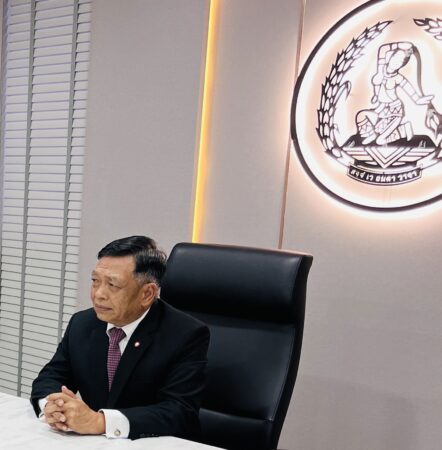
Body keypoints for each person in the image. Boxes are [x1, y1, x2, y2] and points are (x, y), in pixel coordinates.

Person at [30, 235, 210, 440]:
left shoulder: (186, 334)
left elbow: (180, 412)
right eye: (95, 281)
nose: (98, 294)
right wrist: (53, 407)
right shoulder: (82, 323)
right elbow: (51, 377)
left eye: (112, 285)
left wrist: (100, 422)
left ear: (147, 294)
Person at [356, 41, 436, 145]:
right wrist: (399, 45)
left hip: (395, 112)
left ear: (402, 65)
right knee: (361, 115)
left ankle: (403, 130)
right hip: (381, 110)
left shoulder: (398, 78)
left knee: (380, 141)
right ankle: (372, 134)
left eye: (400, 61)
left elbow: (414, 96)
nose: (396, 62)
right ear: (390, 57)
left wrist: (423, 101)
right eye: (395, 57)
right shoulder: (380, 69)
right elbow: (383, 49)